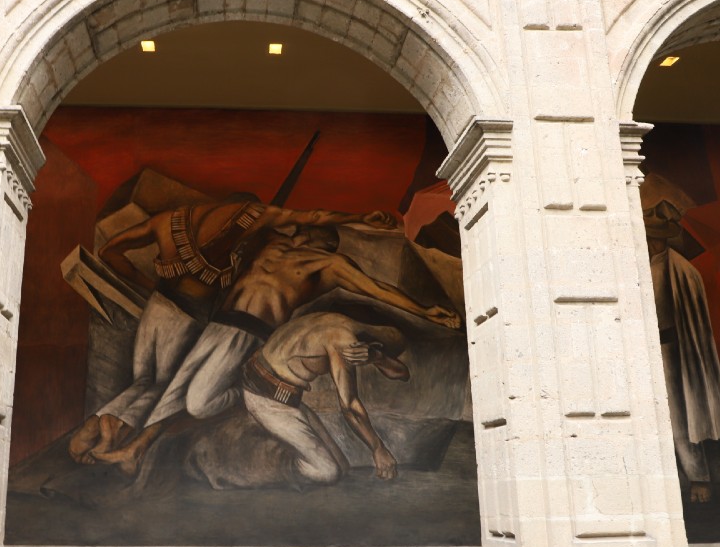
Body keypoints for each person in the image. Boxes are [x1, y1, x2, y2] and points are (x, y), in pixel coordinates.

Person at [90, 225, 460, 472]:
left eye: (309, 229)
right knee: (175, 391)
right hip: (220, 323)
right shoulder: (270, 242)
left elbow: (377, 290)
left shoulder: (328, 263)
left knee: (197, 402)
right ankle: (135, 450)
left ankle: (246, 393)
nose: (300, 230)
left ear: (322, 240)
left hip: (249, 333)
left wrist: (424, 310)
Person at [68, 197, 398, 463]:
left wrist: (147, 284)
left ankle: (108, 424)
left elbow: (110, 250)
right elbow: (314, 214)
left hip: (162, 304)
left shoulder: (170, 220)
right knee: (163, 387)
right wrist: (358, 218)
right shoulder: (257, 225)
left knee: (152, 383)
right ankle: (119, 433)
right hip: (195, 318)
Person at [241, 312, 410, 484]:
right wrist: (378, 448)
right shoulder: (344, 340)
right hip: (265, 398)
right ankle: (249, 466)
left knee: (342, 467)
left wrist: (377, 356)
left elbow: (403, 373)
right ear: (374, 343)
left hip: (285, 397)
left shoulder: (338, 320)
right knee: (327, 471)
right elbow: (349, 405)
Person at [643, 196, 720, 503]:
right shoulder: (633, 264)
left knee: (679, 419)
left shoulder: (681, 271)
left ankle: (699, 478)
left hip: (670, 352)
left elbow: (691, 321)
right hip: (635, 352)